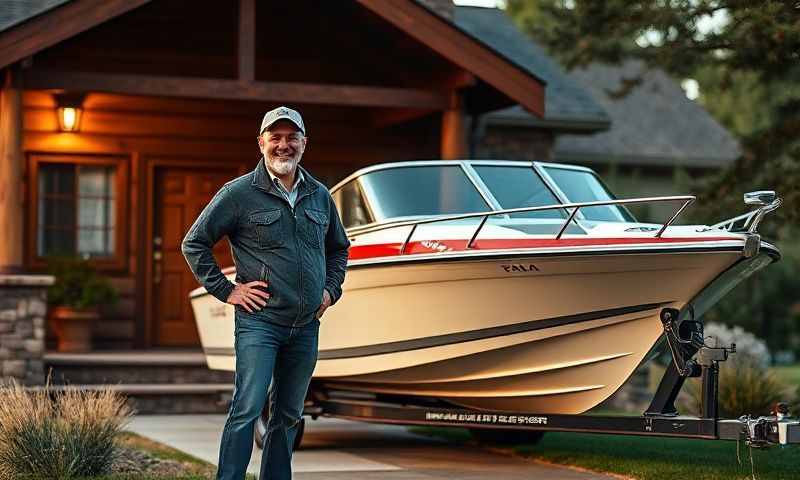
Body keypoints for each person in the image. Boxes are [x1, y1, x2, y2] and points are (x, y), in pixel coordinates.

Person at [181, 106, 350, 480]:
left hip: (306, 326)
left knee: (288, 415)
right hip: (260, 324)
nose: (284, 145)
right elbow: (194, 243)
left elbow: (339, 248)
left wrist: (330, 290)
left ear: (304, 143)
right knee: (247, 408)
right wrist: (228, 291)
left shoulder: (320, 195)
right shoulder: (239, 193)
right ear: (262, 143)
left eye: (292, 138)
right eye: (276, 138)